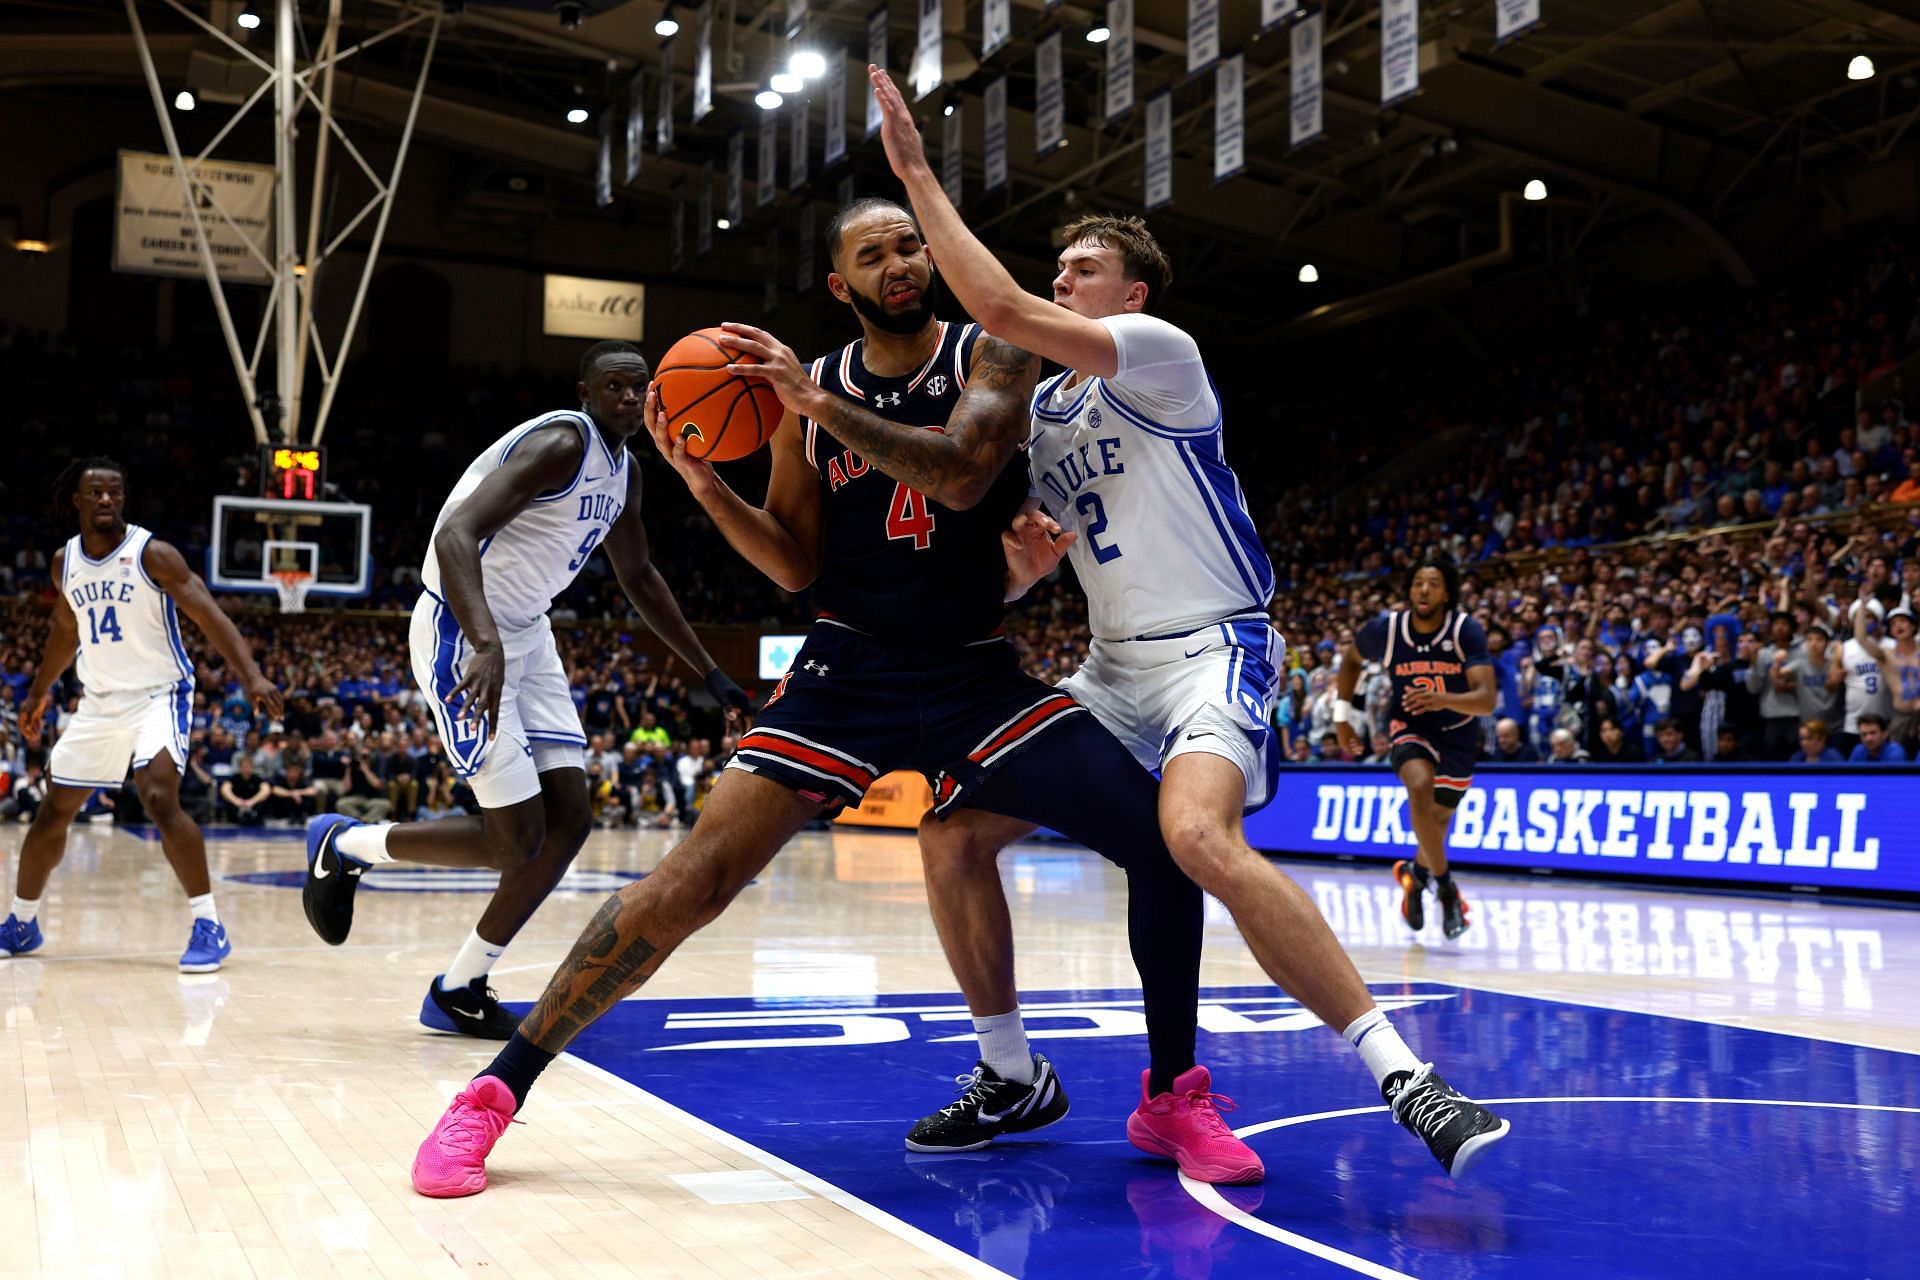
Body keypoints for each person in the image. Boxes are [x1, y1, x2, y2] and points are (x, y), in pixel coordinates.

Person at [417, 194, 1463, 1203]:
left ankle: (1171, 1092)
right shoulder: (804, 397)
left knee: (1160, 839)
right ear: (842, 282)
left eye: (911, 245)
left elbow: (966, 474)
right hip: (846, 671)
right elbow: (792, 562)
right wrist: (703, 485)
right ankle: (495, 1089)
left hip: (974, 673)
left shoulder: (989, 356)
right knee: (690, 880)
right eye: (874, 255)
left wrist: (827, 410)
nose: (902, 264)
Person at [866, 82, 1506, 1174]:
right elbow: (1033, 562)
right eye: (1059, 266)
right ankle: (1013, 1072)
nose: (1062, 276)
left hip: (1216, 643)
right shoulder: (1048, 417)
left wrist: (917, 175)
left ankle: (1408, 1075)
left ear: (1133, 289)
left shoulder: (1162, 351)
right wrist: (1016, 574)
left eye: (1082, 268)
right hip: (1112, 670)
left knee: (1198, 839)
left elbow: (1009, 316)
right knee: (951, 831)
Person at [302, 342, 751, 1039]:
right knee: (514, 840)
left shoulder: (626, 471)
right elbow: (455, 535)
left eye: (641, 389)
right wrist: (483, 640)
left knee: (569, 821)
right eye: (616, 387)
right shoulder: (560, 444)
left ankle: (459, 985)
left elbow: (639, 577)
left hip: (527, 635)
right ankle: (350, 845)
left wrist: (710, 672)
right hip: (463, 626)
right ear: (586, 392)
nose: (630, 400)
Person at [4, 457, 282, 969]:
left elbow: (208, 613)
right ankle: (21, 922)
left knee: (157, 795)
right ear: (78, 501)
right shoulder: (64, 562)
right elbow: (66, 630)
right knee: (53, 808)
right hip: (100, 700)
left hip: (159, 693)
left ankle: (209, 925)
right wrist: (40, 692)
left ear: (123, 500)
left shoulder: (153, 554)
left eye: (115, 492)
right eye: (96, 492)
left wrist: (251, 676)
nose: (106, 499)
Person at [1337, 559, 1499, 938]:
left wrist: (1442, 698)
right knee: (1419, 783)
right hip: (1408, 725)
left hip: (1458, 732)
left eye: (1433, 583)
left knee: (1438, 823)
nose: (1424, 590)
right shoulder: (1387, 630)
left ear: (1446, 593)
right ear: (1409, 590)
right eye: (1418, 583)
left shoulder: (1464, 631)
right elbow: (1349, 661)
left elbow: (1487, 700)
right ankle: (1446, 890)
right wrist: (1342, 718)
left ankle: (1416, 874)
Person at [221, 754, 271, 826]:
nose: (246, 769)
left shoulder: (256, 778)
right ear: (240, 768)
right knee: (228, 802)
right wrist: (236, 801)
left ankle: (254, 816)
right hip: (238, 804)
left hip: (253, 804)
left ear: (252, 767)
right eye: (243, 767)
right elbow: (224, 789)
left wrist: (252, 801)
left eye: (248, 767)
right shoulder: (235, 778)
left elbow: (266, 790)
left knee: (264, 802)